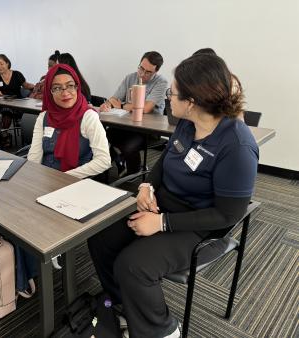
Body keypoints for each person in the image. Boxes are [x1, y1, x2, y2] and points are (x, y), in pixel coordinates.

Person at [88, 54, 259, 338]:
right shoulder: (187, 123)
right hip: (166, 206)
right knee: (100, 237)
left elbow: (228, 215)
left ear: (192, 102)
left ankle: (164, 330)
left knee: (133, 265)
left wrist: (162, 223)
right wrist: (147, 187)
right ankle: (125, 305)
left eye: (173, 93)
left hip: (201, 226)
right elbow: (166, 159)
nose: (169, 97)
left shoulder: (237, 147)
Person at [22, 63, 110, 295]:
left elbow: (104, 161)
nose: (66, 92)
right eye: (57, 88)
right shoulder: (44, 118)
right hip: (46, 179)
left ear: (77, 86)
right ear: (49, 92)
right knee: (14, 213)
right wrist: (33, 182)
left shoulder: (88, 117)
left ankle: (29, 270)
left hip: (76, 185)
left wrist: (62, 178)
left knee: (31, 219)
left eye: (70, 86)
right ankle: (26, 270)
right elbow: (33, 157)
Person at [100, 51, 168, 175]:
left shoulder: (161, 82)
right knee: (102, 136)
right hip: (127, 124)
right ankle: (119, 160)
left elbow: (146, 108)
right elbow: (114, 98)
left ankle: (134, 170)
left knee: (129, 146)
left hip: (148, 129)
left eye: (148, 72)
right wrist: (107, 104)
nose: (142, 74)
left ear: (156, 71)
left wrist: (121, 105)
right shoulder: (130, 77)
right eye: (141, 68)